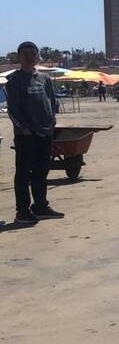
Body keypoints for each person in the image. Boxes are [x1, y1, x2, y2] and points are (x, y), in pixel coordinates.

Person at [7, 41, 62, 224]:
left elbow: (52, 101)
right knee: (23, 174)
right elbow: (13, 110)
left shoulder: (44, 78)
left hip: (45, 132)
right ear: (19, 58)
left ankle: (40, 206)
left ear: (38, 56)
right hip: (26, 135)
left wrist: (52, 121)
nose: (30, 57)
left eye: (33, 53)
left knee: (41, 172)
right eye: (26, 54)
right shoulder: (15, 80)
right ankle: (22, 212)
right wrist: (23, 128)